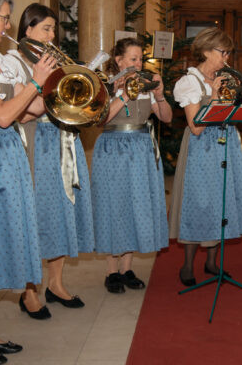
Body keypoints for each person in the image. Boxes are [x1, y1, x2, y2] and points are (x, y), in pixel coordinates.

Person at [5, 3, 95, 318]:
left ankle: (55, 284)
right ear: (27, 30)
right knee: (38, 218)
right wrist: (48, 79)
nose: (52, 35)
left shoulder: (53, 61)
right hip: (34, 144)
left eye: (54, 29)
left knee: (62, 213)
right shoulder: (13, 61)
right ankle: (30, 292)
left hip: (62, 143)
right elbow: (31, 110)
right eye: (45, 28)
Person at [0, 0, 55, 364]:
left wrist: (50, 88)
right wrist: (34, 80)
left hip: (8, 154)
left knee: (1, 244)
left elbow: (24, 114)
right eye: (2, 17)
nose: (7, 24)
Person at [170, 27, 242, 286]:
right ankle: (187, 265)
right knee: (200, 203)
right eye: (222, 51)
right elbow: (196, 127)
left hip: (226, 143)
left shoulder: (224, 77)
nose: (226, 57)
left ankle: (211, 263)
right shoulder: (189, 82)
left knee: (222, 202)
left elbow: (237, 115)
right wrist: (216, 97)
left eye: (228, 52)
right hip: (201, 148)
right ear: (206, 51)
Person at [91, 37, 171, 293]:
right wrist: (124, 94)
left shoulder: (147, 84)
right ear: (119, 61)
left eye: (140, 59)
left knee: (137, 205)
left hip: (141, 149)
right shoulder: (106, 84)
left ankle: (127, 267)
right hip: (113, 148)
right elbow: (101, 119)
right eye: (133, 59)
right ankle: (111, 271)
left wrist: (159, 95)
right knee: (115, 206)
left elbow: (167, 117)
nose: (138, 64)